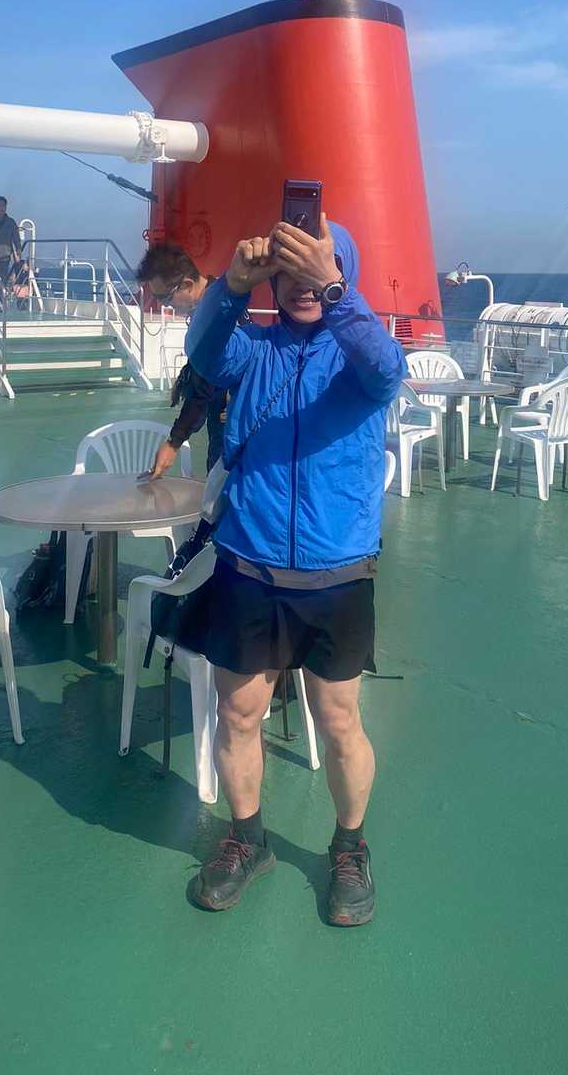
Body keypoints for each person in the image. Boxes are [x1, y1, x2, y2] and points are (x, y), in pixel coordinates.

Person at [179, 213, 405, 927]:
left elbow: (388, 369)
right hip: (250, 566)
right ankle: (247, 838)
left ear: (341, 274)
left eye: (318, 266)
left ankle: (349, 846)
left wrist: (335, 292)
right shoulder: (253, 352)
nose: (302, 281)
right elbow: (203, 351)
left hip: (338, 575)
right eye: (290, 268)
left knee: (338, 720)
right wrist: (230, 287)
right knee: (238, 712)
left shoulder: (359, 358)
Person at [136, 243, 240, 477]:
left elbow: (204, 388)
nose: (164, 305)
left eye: (165, 298)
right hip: (226, 413)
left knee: (221, 487)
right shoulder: (219, 298)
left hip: (233, 421)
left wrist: (174, 442)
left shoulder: (216, 313)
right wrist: (187, 375)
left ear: (187, 285)